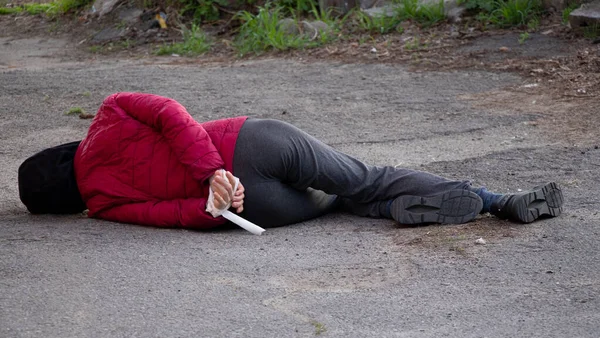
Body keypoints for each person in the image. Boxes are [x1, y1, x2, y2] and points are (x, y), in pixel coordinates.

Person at [18, 92, 564, 230]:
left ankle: (393, 210)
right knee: (364, 177)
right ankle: (496, 200)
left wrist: (215, 202)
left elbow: (172, 214)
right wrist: (213, 168)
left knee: (333, 202)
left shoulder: (103, 205)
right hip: (256, 143)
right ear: (58, 153)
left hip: (255, 207)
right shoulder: (109, 114)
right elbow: (169, 113)